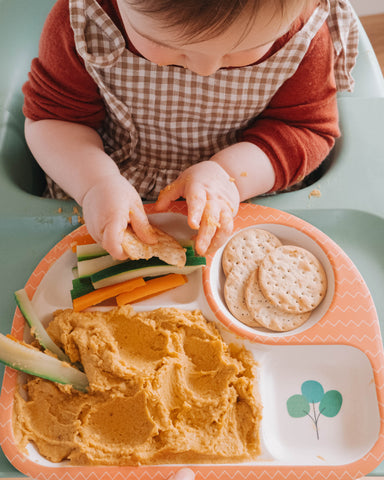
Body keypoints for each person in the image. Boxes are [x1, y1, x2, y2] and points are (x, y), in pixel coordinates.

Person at [23, 0, 358, 259]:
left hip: (243, 185)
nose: (205, 69)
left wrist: (227, 175)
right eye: (172, 48)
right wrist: (95, 184)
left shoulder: (304, 33)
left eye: (236, 52)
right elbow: (57, 119)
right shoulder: (83, 20)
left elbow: (304, 128)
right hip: (107, 180)